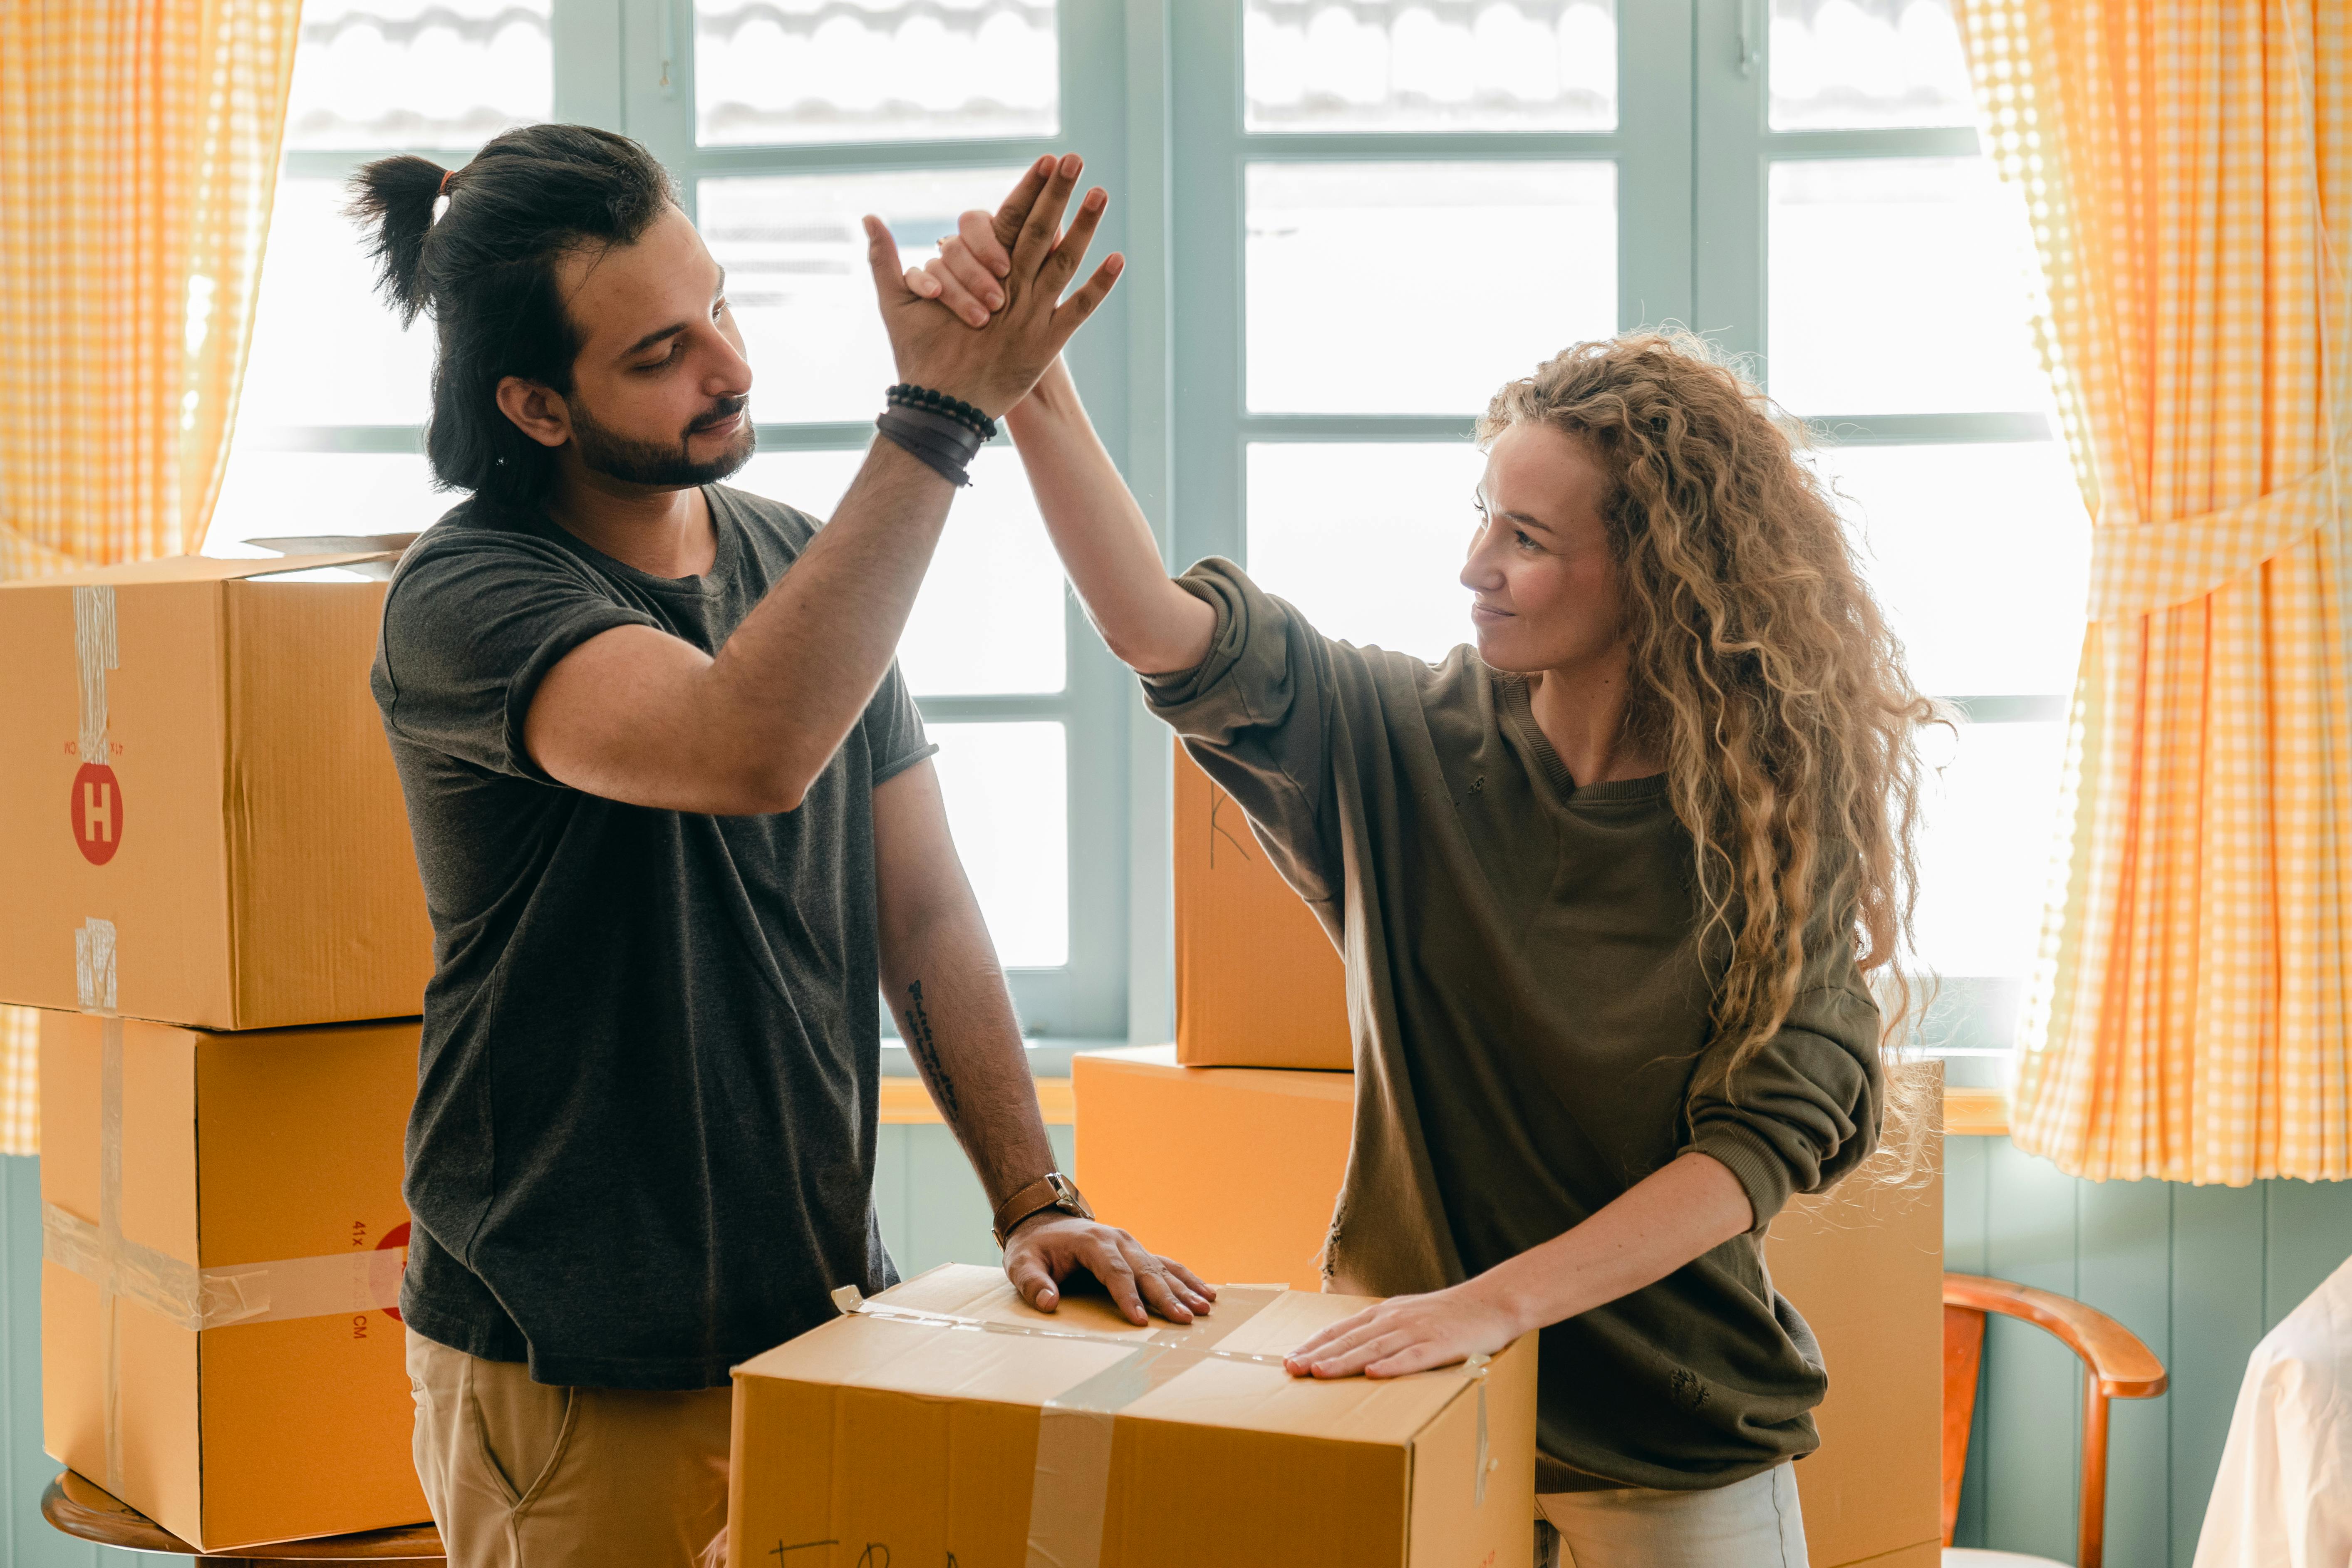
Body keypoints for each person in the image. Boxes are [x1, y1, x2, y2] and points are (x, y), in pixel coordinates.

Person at [914, 183, 1935, 1566]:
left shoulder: (1767, 820)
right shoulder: (1396, 739)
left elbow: (1750, 1152)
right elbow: (1162, 630)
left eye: (1527, 537)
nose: (1474, 567)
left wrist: (1493, 1301)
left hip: (1668, 1438)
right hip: (1408, 1397)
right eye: (1482, 516)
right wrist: (1027, 385)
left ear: (1659, 573)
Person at [349, 127, 1211, 1568]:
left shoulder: (801, 561)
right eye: (660, 352)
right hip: (572, 1362)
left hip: (824, 1322)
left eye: (725, 306)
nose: (731, 365)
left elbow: (922, 908)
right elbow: (743, 750)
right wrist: (937, 416)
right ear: (536, 406)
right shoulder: (469, 594)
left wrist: (1034, 1194)